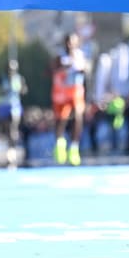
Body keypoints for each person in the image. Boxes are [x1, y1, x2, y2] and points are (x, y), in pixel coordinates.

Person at [51, 32, 88, 166]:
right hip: (61, 92)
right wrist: (63, 67)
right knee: (61, 119)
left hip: (76, 90)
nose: (70, 45)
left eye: (72, 42)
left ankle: (74, 148)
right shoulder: (60, 56)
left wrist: (81, 69)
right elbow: (51, 70)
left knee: (78, 117)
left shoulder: (80, 56)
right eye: (68, 42)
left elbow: (85, 72)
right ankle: (60, 144)